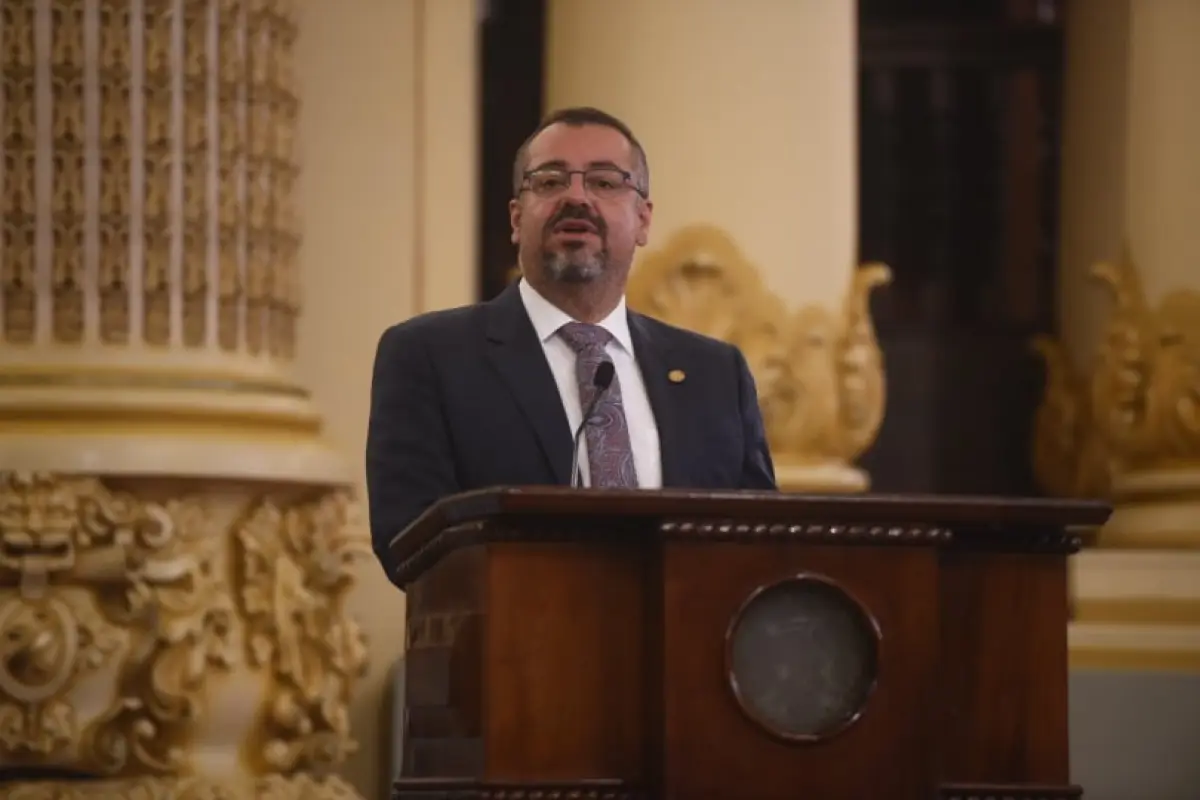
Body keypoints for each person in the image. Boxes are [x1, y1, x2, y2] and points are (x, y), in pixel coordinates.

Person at [365, 106, 777, 574]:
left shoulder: (715, 374)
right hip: (515, 642)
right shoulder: (430, 357)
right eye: (550, 181)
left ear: (643, 220)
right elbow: (409, 539)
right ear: (517, 218)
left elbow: (761, 541)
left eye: (604, 182)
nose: (576, 197)